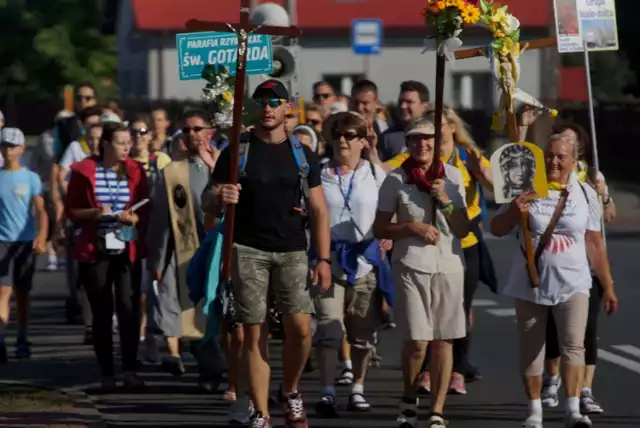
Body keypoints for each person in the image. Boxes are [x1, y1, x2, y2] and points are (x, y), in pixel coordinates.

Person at [202, 79, 332, 428]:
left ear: (288, 107)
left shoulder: (302, 154)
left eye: (275, 102)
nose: (269, 108)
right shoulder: (237, 150)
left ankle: (290, 391)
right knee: (253, 332)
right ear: (254, 107)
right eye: (262, 102)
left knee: (301, 328)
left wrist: (323, 259)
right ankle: (260, 411)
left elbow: (319, 209)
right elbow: (208, 200)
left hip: (292, 250)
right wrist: (220, 197)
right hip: (247, 250)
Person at [490, 134, 618, 428]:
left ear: (574, 161)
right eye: (549, 155)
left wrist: (608, 285)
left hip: (574, 282)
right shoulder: (524, 188)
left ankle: (572, 408)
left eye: (561, 156)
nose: (554, 161)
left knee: (574, 345)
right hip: (530, 282)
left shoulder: (586, 194)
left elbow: (595, 243)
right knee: (532, 348)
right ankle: (534, 410)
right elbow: (496, 228)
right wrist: (513, 212)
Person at [373, 118, 469, 428]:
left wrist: (446, 201)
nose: (422, 145)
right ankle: (409, 396)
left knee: (443, 340)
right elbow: (380, 226)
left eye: (429, 139)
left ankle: (437, 410)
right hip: (411, 264)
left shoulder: (452, 177)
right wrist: (411, 227)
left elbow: (464, 228)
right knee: (417, 340)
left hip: (449, 266)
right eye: (415, 140)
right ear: (407, 143)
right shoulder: (396, 180)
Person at [313, 111, 390, 417]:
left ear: (362, 141)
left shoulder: (374, 173)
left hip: (365, 261)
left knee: (362, 334)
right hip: (328, 260)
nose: (342, 141)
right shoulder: (317, 173)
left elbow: (390, 210)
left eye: (349, 136)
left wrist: (388, 237)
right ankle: (328, 391)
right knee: (329, 330)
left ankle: (357, 388)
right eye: (337, 135)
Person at [65, 122, 150, 390]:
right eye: (122, 142)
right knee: (102, 311)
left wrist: (133, 218)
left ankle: (129, 369)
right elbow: (72, 211)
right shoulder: (85, 171)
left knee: (128, 307)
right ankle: (107, 373)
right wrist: (94, 213)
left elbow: (146, 207)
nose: (128, 147)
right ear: (105, 145)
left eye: (129, 142)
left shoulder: (136, 170)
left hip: (126, 247)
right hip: (95, 248)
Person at [146, 109, 221, 389]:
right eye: (186, 130)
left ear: (210, 131)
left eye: (197, 129)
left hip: (224, 249)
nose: (191, 135)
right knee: (194, 313)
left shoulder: (225, 164)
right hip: (190, 252)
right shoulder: (172, 173)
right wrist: (157, 258)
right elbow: (161, 221)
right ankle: (210, 369)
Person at [0, 127, 48, 363]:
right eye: (4, 146)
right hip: (2, 242)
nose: (7, 151)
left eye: (11, 146)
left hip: (25, 242)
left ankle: (22, 336)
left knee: (22, 294)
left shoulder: (31, 178)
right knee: (3, 291)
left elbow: (40, 210)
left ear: (21, 149)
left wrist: (41, 236)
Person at [129, 114, 172, 362]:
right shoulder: (123, 163)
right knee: (138, 289)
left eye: (142, 131)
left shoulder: (161, 160)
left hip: (156, 229)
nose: (138, 136)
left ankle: (157, 338)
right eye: (133, 131)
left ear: (150, 135)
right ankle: (142, 338)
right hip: (131, 230)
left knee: (154, 288)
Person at [378, 81, 430, 162]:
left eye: (409, 102)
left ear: (424, 107)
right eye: (400, 102)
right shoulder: (387, 138)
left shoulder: (434, 134)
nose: (403, 106)